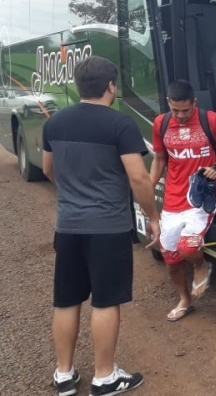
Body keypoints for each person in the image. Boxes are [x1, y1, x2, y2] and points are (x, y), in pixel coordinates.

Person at [42, 56, 160, 396]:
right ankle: (105, 377)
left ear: (79, 86)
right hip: (108, 226)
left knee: (66, 299)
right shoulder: (119, 125)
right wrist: (151, 216)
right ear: (111, 86)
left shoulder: (55, 123)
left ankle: (64, 375)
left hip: (68, 225)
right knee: (106, 301)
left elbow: (50, 170)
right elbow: (138, 177)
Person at [150, 80, 216, 322]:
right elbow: (159, 159)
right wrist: (146, 187)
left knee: (188, 247)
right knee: (170, 257)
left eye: (185, 110)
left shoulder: (211, 120)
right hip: (173, 198)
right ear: (168, 104)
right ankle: (185, 299)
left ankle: (200, 266)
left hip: (201, 197)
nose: (181, 116)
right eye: (176, 110)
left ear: (194, 103)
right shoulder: (161, 123)